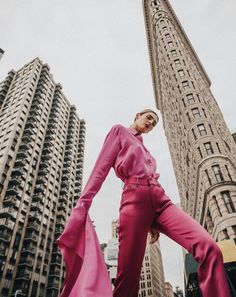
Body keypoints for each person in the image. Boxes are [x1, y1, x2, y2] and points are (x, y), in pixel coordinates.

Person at [57, 109, 231, 297]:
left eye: (154, 123)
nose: (150, 124)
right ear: (137, 115)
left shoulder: (146, 150)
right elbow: (101, 168)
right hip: (134, 200)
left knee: (209, 248)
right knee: (128, 279)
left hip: (161, 200)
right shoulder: (120, 132)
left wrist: (153, 224)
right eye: (149, 118)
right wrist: (84, 202)